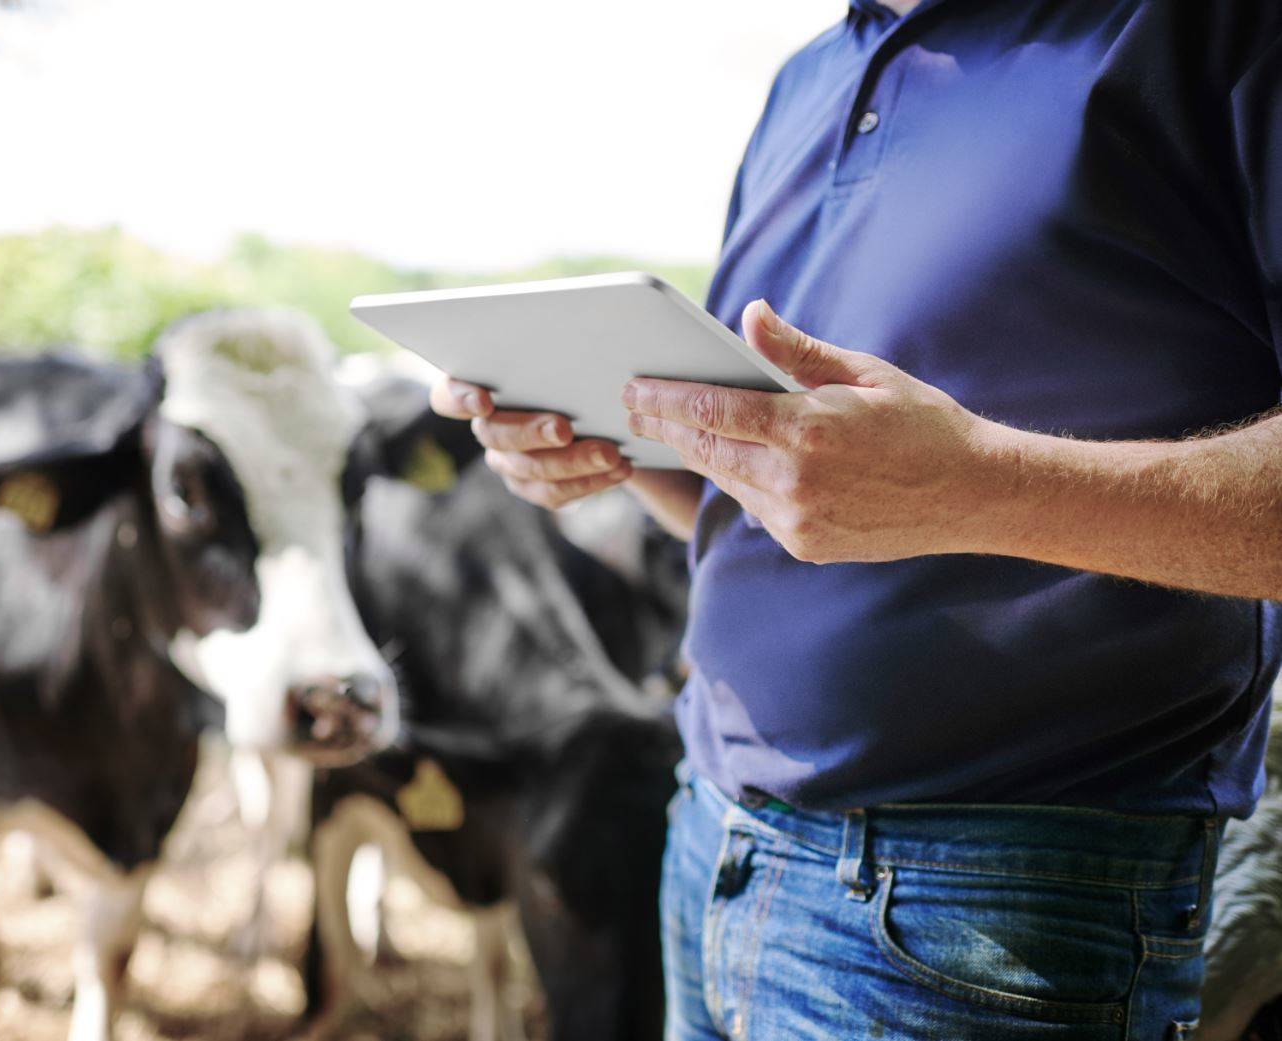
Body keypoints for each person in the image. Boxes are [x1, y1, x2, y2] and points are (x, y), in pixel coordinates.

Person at [430, 0, 1282, 1037]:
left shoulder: (1212, 31)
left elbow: (922, 485)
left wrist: (982, 481)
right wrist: (618, 455)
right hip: (709, 832)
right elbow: (805, 496)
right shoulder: (809, 76)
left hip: (991, 897)